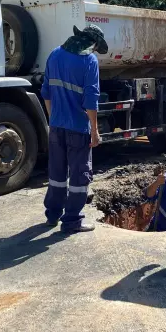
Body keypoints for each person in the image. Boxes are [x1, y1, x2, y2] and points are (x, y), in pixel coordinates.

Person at [41, 24, 108, 233]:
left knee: (56, 173)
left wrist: (54, 120)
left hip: (57, 126)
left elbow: (46, 92)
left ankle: (52, 215)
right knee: (79, 176)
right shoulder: (89, 61)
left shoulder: (55, 54)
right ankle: (71, 221)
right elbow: (91, 100)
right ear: (93, 43)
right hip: (78, 128)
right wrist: (95, 130)